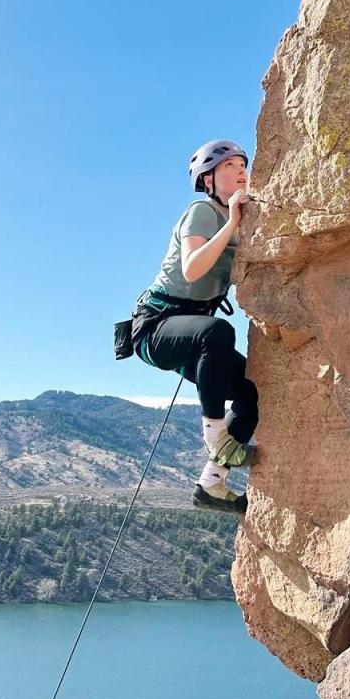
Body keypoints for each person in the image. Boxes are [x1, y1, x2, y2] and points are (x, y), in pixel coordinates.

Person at [130, 140, 259, 516]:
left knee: (250, 393)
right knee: (217, 332)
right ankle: (216, 434)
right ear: (208, 180)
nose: (239, 171)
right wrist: (233, 222)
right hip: (156, 325)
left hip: (189, 329)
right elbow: (192, 269)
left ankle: (211, 484)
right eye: (229, 166)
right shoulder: (202, 211)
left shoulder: (238, 218)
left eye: (241, 164)